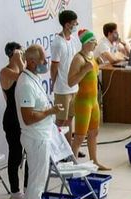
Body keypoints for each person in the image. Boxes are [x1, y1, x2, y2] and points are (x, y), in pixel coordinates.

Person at [15, 44, 64, 199]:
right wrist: (50, 111)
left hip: (41, 134)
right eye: (43, 59)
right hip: (34, 137)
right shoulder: (26, 84)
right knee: (38, 178)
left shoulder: (33, 78)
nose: (46, 62)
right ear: (33, 61)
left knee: (37, 175)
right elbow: (28, 118)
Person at [68, 30, 110, 171]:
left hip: (94, 102)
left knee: (94, 132)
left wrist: (97, 63)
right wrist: (84, 70)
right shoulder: (78, 59)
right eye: (93, 42)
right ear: (86, 43)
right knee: (80, 136)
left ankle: (94, 161)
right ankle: (73, 164)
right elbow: (70, 81)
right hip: (83, 103)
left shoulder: (91, 56)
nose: (96, 44)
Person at [0, 42, 28, 199]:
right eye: (19, 53)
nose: (22, 56)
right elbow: (24, 78)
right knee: (16, 153)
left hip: (23, 117)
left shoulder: (21, 69)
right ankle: (15, 190)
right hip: (12, 118)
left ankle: (26, 186)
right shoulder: (6, 72)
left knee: (29, 153)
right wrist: (18, 60)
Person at [50, 10, 80, 145]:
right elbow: (54, 66)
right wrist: (54, 84)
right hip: (62, 88)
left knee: (70, 118)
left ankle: (68, 148)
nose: (76, 24)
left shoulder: (73, 40)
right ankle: (56, 148)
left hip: (74, 86)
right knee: (60, 120)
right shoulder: (57, 43)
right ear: (67, 25)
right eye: (74, 23)